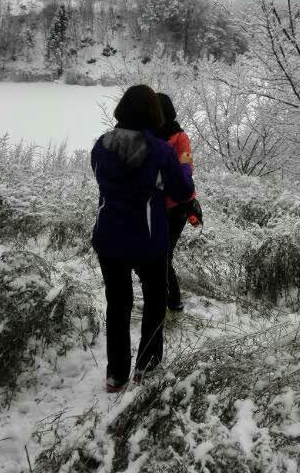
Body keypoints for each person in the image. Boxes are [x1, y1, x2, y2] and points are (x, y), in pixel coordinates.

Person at [91, 85, 195, 392]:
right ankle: (147, 368)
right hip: (147, 239)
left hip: (109, 236)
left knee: (118, 303)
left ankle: (116, 375)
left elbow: (105, 181)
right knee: (154, 301)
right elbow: (183, 191)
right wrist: (184, 168)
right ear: (154, 114)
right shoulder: (160, 150)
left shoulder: (101, 145)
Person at [155, 92, 197, 313]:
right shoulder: (148, 135)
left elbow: (186, 166)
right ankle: (165, 299)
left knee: (164, 254)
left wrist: (175, 182)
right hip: (155, 205)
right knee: (156, 254)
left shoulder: (180, 137)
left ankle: (173, 301)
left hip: (178, 206)